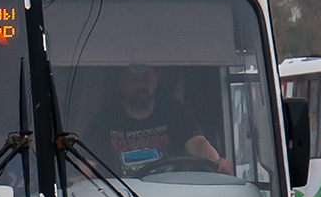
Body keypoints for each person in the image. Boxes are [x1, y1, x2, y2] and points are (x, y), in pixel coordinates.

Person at [86, 65, 232, 175]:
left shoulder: (175, 112)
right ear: (121, 81)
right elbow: (87, 163)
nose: (140, 84)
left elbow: (198, 143)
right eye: (133, 78)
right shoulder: (102, 121)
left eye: (146, 77)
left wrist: (215, 161)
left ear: (156, 79)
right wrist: (80, 177)